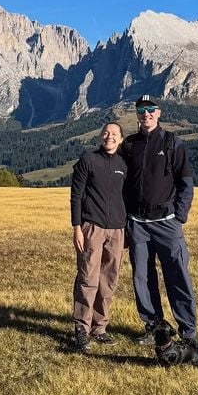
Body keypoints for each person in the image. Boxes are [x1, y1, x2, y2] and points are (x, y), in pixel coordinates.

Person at [121, 95, 198, 356]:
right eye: (141, 110)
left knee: (177, 276)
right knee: (142, 278)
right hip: (137, 223)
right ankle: (154, 327)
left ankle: (189, 332)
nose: (146, 114)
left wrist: (180, 216)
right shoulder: (130, 146)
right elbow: (123, 185)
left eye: (150, 110)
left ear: (158, 113)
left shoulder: (173, 143)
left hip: (167, 223)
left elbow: (186, 183)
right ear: (137, 114)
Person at [69, 122, 128, 352]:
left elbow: (129, 197)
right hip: (91, 228)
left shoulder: (125, 164)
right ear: (100, 136)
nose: (109, 136)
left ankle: (99, 328)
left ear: (121, 139)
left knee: (109, 281)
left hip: (117, 229)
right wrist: (76, 226)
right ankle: (81, 328)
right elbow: (76, 195)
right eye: (106, 132)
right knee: (88, 278)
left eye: (114, 134)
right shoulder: (89, 160)